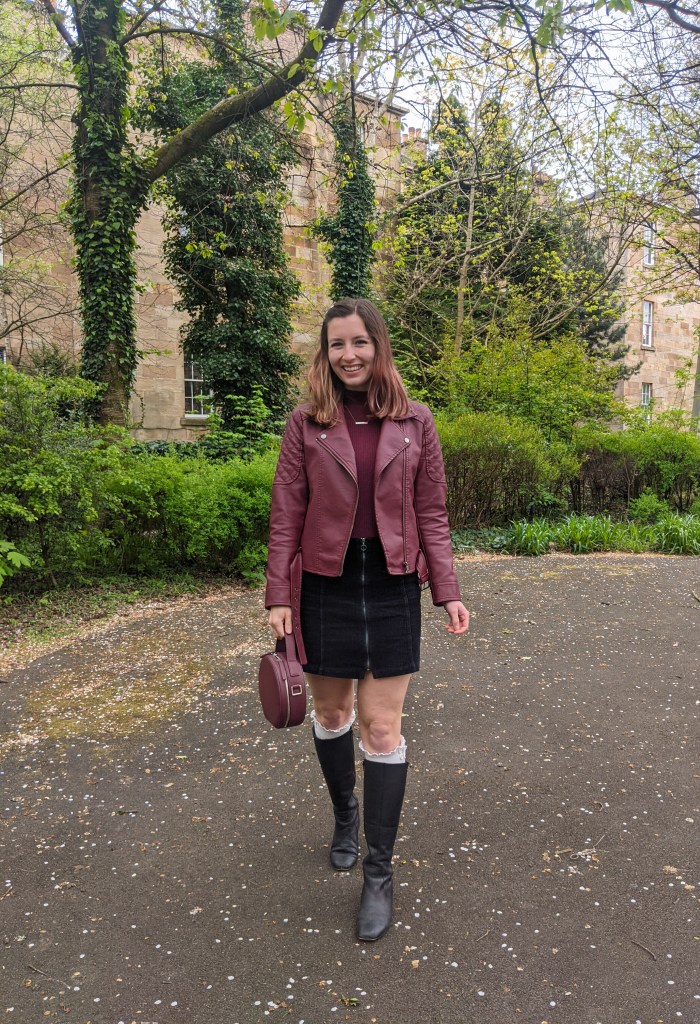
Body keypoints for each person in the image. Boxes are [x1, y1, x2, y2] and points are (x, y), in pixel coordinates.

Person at [265, 298, 469, 942]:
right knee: (330, 716)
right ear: (324, 355)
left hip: (391, 586)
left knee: (382, 730)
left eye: (360, 343)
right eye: (336, 345)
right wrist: (278, 593)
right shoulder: (305, 424)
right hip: (322, 585)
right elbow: (286, 513)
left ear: (379, 347)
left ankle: (377, 875)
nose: (349, 355)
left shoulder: (417, 422)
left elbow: (431, 510)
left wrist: (447, 588)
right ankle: (345, 813)